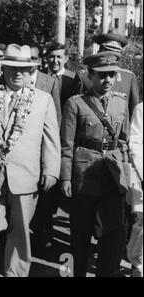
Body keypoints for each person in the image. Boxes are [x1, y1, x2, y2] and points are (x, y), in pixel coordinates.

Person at [0, 44, 60, 277]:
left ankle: (16, 271)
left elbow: (51, 139)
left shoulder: (43, 99)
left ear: (32, 70)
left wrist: (51, 170)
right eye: (12, 68)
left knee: (20, 228)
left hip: (25, 173)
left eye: (24, 69)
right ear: (3, 68)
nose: (18, 73)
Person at [61, 51, 129, 277]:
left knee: (112, 235)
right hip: (84, 178)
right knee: (79, 236)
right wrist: (66, 178)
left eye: (111, 75)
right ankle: (71, 274)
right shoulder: (75, 104)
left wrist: (126, 176)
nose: (108, 80)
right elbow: (66, 145)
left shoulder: (121, 104)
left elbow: (124, 142)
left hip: (112, 177)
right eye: (102, 75)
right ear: (90, 76)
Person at [28, 44, 63, 253]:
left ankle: (43, 234)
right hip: (20, 148)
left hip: (41, 147)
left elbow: (55, 119)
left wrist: (50, 156)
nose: (30, 62)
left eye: (34, 58)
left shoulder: (48, 82)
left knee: (45, 196)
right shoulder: (11, 77)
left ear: (40, 60)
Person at [81, 33, 140, 121]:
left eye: (116, 53)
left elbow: (134, 111)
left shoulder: (129, 77)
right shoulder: (85, 76)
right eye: (107, 51)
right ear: (100, 51)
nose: (112, 56)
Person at [127, 102, 143, 277]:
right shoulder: (141, 109)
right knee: (141, 225)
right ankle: (137, 266)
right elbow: (136, 144)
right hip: (141, 177)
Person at [46, 42, 82, 109]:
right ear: (47, 58)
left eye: (59, 57)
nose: (55, 61)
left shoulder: (73, 78)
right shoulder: (40, 75)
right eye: (52, 57)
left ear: (66, 59)